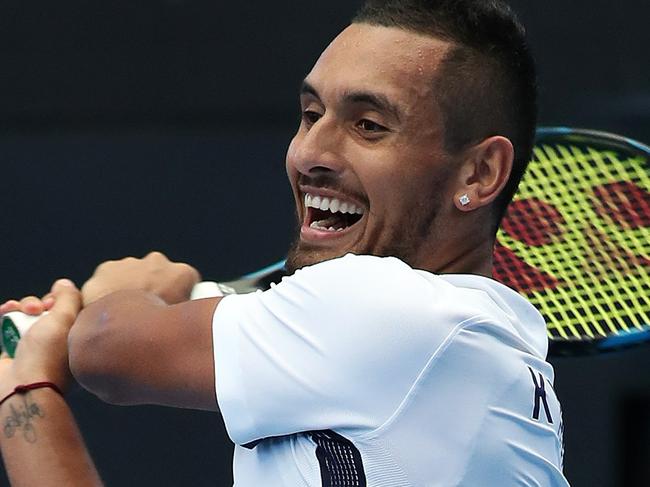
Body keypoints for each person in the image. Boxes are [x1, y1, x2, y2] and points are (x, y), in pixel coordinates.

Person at [0, 0, 569, 485]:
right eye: (310, 114)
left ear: (479, 174)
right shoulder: (470, 353)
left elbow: (105, 346)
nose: (309, 153)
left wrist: (128, 295)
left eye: (369, 125)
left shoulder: (402, 312)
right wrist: (23, 391)